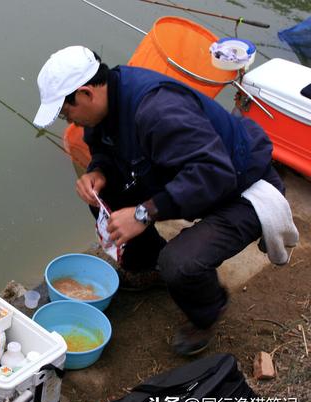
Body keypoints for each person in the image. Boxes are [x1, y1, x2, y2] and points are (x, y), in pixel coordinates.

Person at [32, 45, 289, 356]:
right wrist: (98, 170)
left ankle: (207, 312)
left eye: (64, 110)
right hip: (191, 176)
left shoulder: (157, 109)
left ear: (86, 93)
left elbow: (214, 172)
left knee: (179, 263)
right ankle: (146, 266)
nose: (66, 118)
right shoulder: (105, 106)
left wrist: (142, 213)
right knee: (104, 196)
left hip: (240, 188)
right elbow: (104, 149)